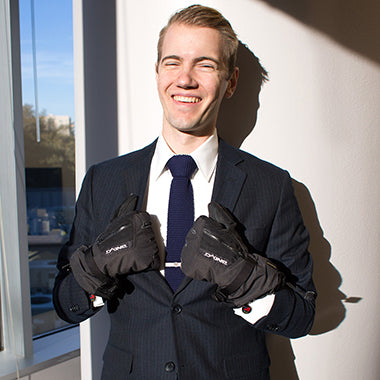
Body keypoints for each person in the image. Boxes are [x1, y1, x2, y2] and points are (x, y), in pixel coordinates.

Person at [53, 5, 316, 379]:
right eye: (172, 62)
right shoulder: (104, 180)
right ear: (158, 72)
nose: (185, 79)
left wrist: (245, 278)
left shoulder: (270, 186)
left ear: (232, 81)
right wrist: (99, 264)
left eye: (205, 64)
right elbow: (65, 304)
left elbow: (302, 317)